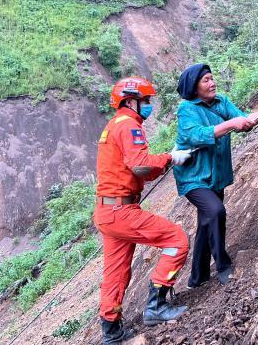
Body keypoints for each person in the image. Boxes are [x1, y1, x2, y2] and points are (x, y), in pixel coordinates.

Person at [94, 76, 194, 344]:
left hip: (107, 211)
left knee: (115, 273)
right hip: (121, 211)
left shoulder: (113, 125)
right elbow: (140, 166)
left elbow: (140, 171)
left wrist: (163, 161)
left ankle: (111, 333)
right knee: (177, 240)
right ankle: (157, 306)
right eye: (146, 101)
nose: (148, 106)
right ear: (130, 101)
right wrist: (171, 157)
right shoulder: (129, 126)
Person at [174, 64, 258, 288]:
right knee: (215, 211)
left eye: (212, 79)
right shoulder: (187, 109)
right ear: (194, 87)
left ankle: (197, 278)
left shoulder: (221, 102)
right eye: (206, 81)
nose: (212, 83)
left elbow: (243, 121)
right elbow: (196, 135)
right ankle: (222, 266)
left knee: (206, 221)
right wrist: (231, 123)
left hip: (216, 175)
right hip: (194, 176)